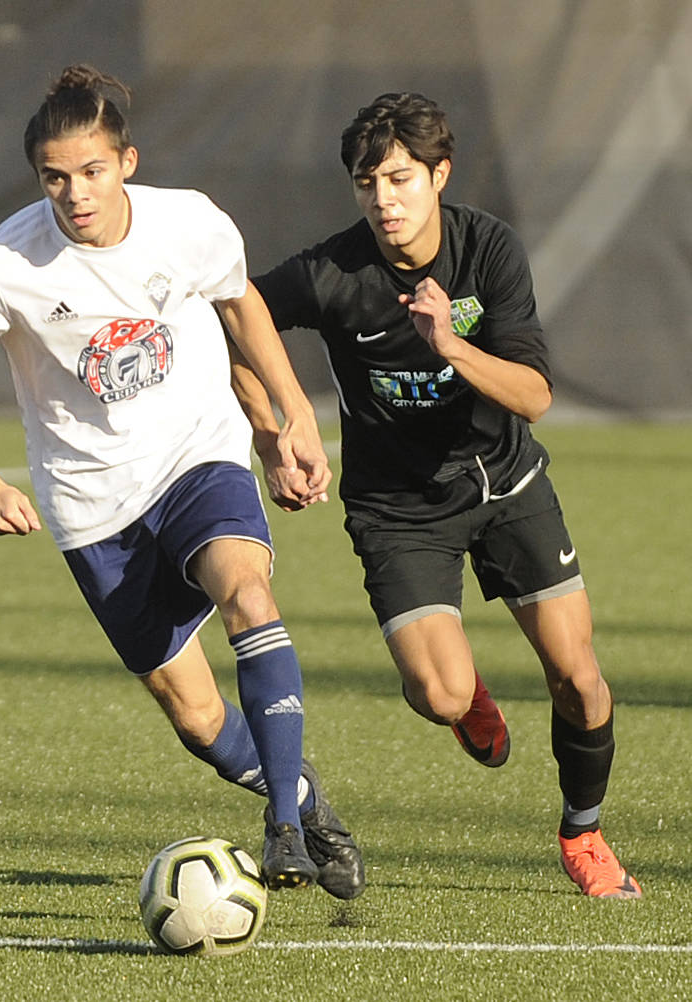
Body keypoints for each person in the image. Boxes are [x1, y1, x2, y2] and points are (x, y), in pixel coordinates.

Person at [0, 64, 364, 899]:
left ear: (126, 160)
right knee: (196, 718)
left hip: (196, 453)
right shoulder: (2, 264)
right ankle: (300, 792)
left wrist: (291, 414)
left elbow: (239, 306)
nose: (75, 193)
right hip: (91, 502)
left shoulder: (187, 222)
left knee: (249, 598)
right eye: (55, 176)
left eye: (91, 171)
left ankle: (279, 834)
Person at [232, 91, 640, 899]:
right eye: (365, 182)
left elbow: (531, 395)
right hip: (396, 508)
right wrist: (272, 433)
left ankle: (582, 832)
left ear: (437, 175)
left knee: (578, 680)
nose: (382, 199)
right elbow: (234, 316)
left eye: (398, 178)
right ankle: (466, 696)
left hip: (506, 483)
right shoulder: (332, 271)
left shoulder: (488, 249)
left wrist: (447, 344)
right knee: (438, 692)